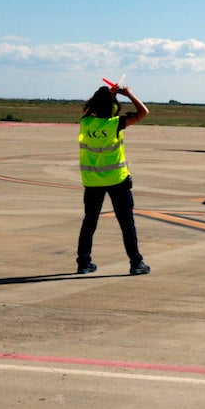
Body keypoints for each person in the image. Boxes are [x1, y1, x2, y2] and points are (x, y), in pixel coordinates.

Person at [75, 83, 151, 275]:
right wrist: (128, 94)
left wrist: (108, 96)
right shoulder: (115, 123)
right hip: (116, 180)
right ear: (113, 107)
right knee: (126, 223)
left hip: (92, 181)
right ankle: (136, 262)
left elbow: (94, 113)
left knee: (89, 222)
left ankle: (84, 262)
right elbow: (143, 112)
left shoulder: (85, 123)